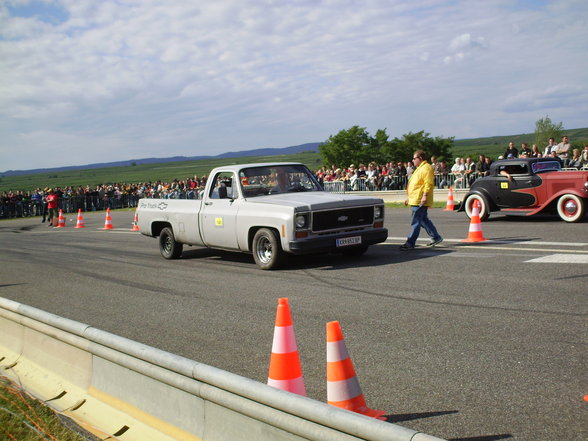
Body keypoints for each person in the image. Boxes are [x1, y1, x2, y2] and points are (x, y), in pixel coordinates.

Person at [400, 150, 442, 250]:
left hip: (419, 199)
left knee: (416, 221)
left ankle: (410, 242)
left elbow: (428, 184)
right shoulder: (420, 168)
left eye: (414, 158)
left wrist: (425, 196)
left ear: (420, 158)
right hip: (415, 199)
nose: (413, 160)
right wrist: (409, 198)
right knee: (423, 220)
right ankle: (436, 237)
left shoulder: (426, 168)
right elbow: (416, 185)